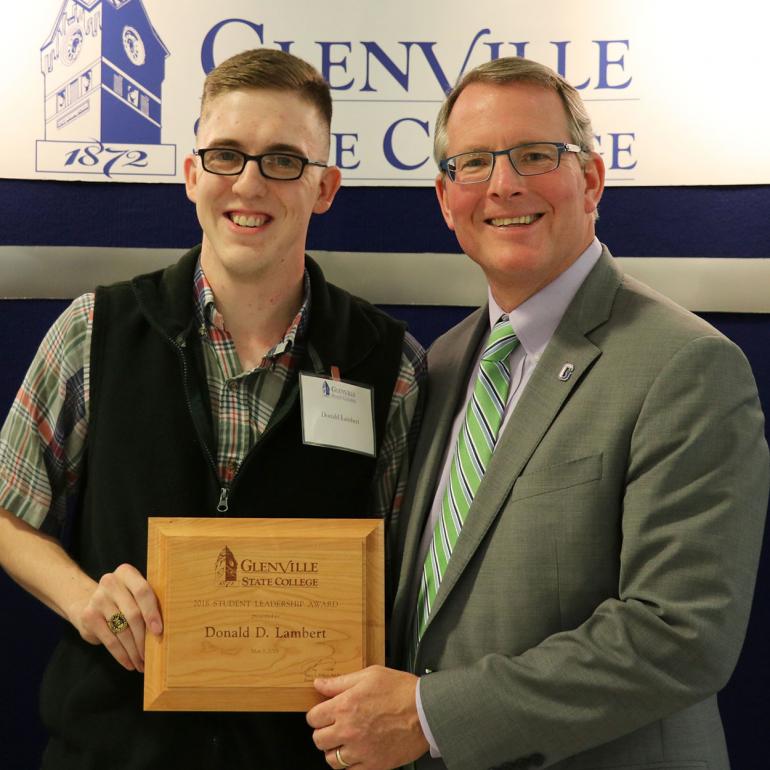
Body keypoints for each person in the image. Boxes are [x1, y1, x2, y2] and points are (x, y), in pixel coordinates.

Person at [306, 56, 770, 770]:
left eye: (534, 155)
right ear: (444, 197)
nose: (504, 184)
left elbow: (680, 635)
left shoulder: (684, 365)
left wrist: (431, 717)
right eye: (475, 163)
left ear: (591, 178)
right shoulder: (440, 364)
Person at [0, 49, 424, 769]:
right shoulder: (93, 331)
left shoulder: (392, 366)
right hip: (113, 751)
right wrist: (81, 599)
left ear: (325, 187)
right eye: (226, 155)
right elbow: (8, 514)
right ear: (192, 174)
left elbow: (410, 580)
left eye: (284, 160)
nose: (250, 183)